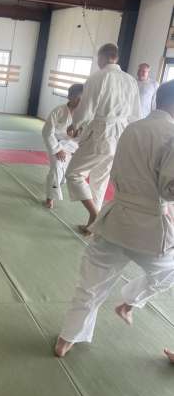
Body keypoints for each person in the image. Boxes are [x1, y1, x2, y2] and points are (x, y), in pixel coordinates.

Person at [55, 80, 174, 359]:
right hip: (150, 229)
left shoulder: (132, 128)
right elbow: (169, 189)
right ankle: (129, 302)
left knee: (90, 284)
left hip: (115, 219)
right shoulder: (171, 134)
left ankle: (66, 339)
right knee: (167, 273)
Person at [65, 44, 141, 234]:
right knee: (100, 180)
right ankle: (93, 226)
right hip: (121, 135)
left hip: (102, 133)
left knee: (74, 174)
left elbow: (86, 108)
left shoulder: (98, 77)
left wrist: (75, 124)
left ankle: (95, 215)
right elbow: (136, 114)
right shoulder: (130, 80)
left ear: (102, 57)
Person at [42, 84, 83, 209]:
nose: (79, 101)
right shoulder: (58, 111)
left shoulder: (84, 114)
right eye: (77, 98)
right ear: (70, 97)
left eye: (82, 99)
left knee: (65, 175)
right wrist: (57, 149)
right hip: (56, 143)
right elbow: (47, 132)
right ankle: (50, 197)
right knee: (56, 167)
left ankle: (57, 182)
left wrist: (79, 142)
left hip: (73, 146)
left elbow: (84, 133)